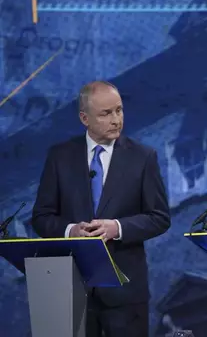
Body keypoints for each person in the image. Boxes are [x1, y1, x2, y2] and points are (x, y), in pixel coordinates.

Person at [31, 80, 171, 337]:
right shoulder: (60, 157)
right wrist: (71, 230)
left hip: (125, 293)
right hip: (73, 289)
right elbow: (41, 217)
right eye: (106, 114)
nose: (116, 119)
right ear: (85, 118)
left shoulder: (143, 157)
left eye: (119, 110)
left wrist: (116, 227)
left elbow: (159, 217)